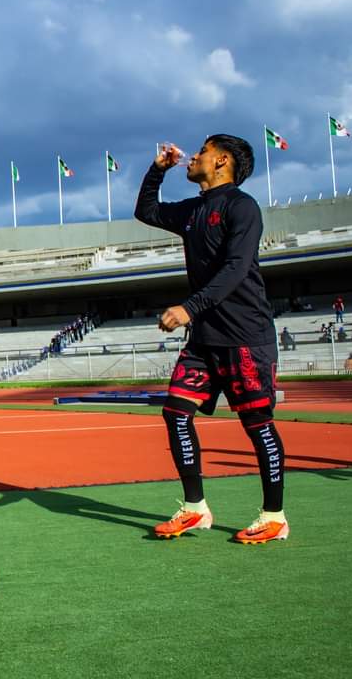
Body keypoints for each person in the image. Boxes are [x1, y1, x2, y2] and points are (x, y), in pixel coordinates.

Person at [135, 134, 289, 545]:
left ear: (221, 161)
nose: (193, 155)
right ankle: (194, 508)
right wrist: (158, 171)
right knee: (175, 413)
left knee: (257, 424)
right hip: (204, 338)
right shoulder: (193, 209)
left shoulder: (242, 207)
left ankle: (274, 516)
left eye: (201, 151)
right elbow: (146, 210)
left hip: (245, 336)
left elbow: (237, 267)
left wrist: (189, 307)